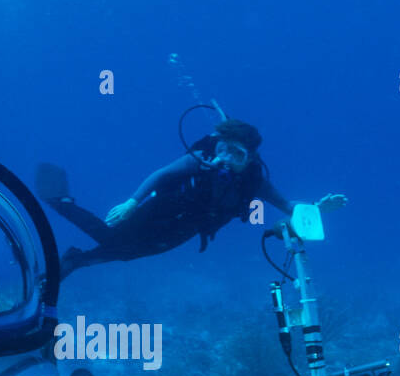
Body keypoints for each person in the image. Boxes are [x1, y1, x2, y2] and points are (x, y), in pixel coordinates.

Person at [38, 118, 346, 278]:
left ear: (250, 158)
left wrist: (318, 209)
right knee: (114, 240)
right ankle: (61, 203)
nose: (224, 158)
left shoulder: (256, 181)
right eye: (222, 148)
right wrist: (133, 202)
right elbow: (161, 175)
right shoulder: (200, 158)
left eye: (235, 154)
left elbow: (291, 208)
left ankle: (76, 260)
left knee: (129, 253)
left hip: (187, 229)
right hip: (160, 210)